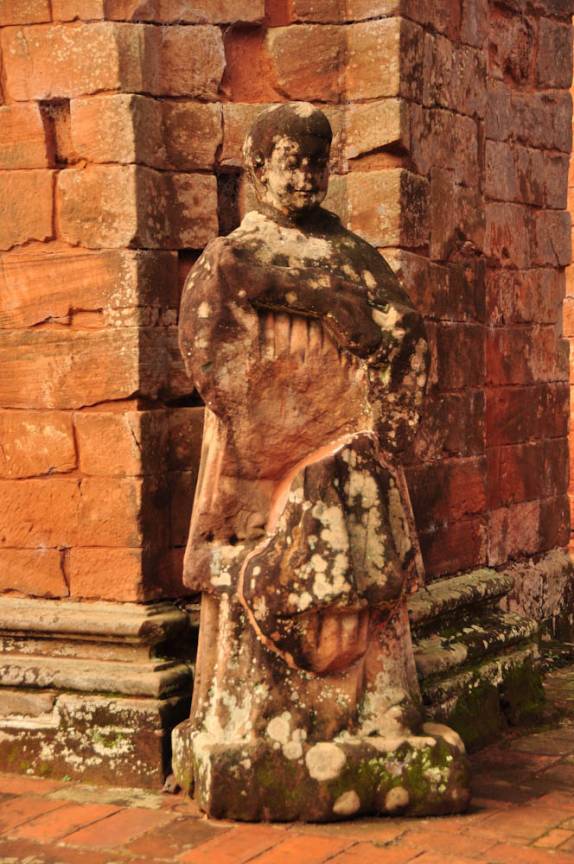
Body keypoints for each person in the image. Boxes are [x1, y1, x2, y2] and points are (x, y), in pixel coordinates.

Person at [173, 102, 469, 821]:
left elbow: (405, 338)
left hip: (349, 448)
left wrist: (363, 343)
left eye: (316, 162)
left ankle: (378, 713)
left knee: (370, 524)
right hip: (260, 453)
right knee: (257, 554)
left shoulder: (355, 254)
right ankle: (258, 720)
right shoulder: (235, 256)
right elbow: (212, 350)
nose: (305, 175)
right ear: (258, 167)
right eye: (291, 161)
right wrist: (310, 318)